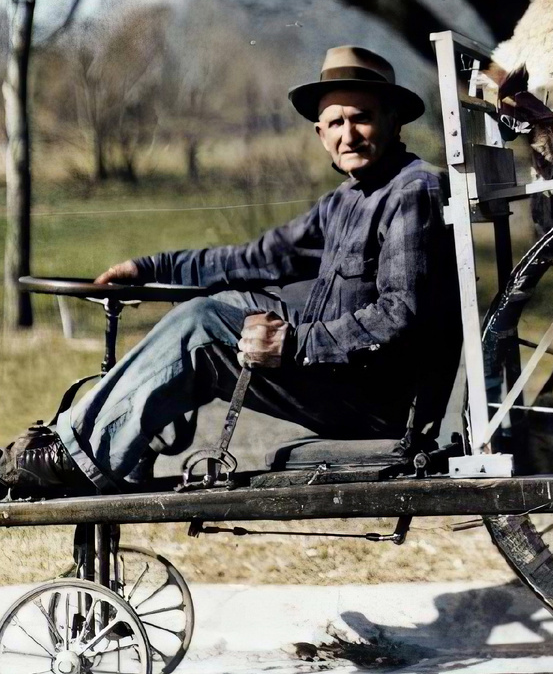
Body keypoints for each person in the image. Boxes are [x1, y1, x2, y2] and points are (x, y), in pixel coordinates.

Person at [0, 46, 462, 495]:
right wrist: (151, 268)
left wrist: (295, 342)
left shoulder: (412, 190)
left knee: (204, 325)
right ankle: (85, 446)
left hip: (377, 401)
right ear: (320, 134)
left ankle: (78, 455)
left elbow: (402, 314)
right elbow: (254, 259)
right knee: (223, 307)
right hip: (344, 383)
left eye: (361, 117)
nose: (349, 134)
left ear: (394, 121)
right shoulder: (344, 201)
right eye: (336, 123)